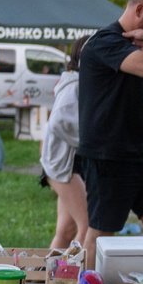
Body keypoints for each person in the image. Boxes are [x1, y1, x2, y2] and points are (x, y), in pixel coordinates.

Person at [77, 0, 143, 269]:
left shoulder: (142, 45)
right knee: (101, 234)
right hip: (110, 157)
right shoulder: (103, 42)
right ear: (139, 9)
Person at [41, 35, 90, 249]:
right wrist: (88, 142)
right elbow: (59, 120)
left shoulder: (79, 82)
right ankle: (76, 279)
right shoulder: (76, 84)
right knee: (88, 228)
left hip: (64, 165)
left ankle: (50, 277)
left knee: (66, 231)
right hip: (63, 167)